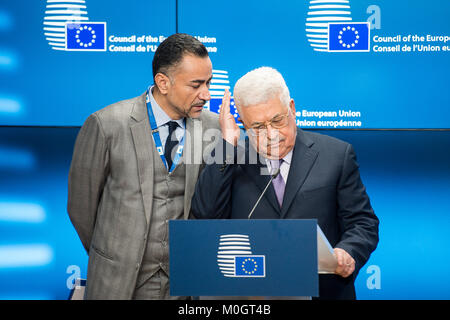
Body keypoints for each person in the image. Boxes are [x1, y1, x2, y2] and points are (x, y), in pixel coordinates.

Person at [190, 67, 379, 300]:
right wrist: (228, 143)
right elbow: (204, 218)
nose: (271, 134)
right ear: (242, 124)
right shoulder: (231, 159)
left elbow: (363, 222)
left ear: (291, 108)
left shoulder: (336, 155)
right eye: (257, 127)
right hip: (250, 296)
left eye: (277, 120)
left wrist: (348, 252)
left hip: (323, 291)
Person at [67, 33, 220, 299]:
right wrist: (114, 253)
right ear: (163, 82)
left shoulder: (214, 127)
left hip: (184, 285)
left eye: (208, 83)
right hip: (117, 284)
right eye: (196, 85)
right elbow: (82, 209)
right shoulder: (106, 124)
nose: (206, 94)